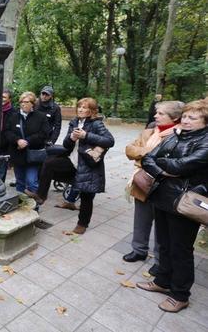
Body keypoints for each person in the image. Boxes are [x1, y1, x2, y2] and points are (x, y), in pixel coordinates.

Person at [137, 100, 208, 313]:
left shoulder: (205, 142)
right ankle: (162, 280)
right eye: (185, 116)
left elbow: (182, 166)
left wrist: (165, 164)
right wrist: (164, 169)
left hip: (185, 201)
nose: (185, 120)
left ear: (205, 122)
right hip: (163, 196)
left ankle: (180, 295)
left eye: (192, 118)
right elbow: (148, 158)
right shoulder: (176, 135)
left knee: (181, 249)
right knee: (164, 244)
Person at [27, 98, 115, 234]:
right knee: (49, 162)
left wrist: (86, 135)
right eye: (79, 107)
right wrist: (71, 138)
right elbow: (67, 144)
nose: (80, 109)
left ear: (91, 110)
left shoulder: (97, 124)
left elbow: (110, 141)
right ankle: (41, 195)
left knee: (86, 196)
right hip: (72, 160)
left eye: (84, 107)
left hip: (87, 164)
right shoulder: (74, 122)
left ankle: (82, 224)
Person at [123, 101, 184, 275]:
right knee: (141, 217)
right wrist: (149, 155)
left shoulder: (181, 134)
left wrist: (144, 155)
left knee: (162, 226)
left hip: (165, 186)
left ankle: (160, 261)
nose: (155, 116)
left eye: (161, 113)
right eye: (156, 113)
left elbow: (171, 162)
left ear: (175, 117)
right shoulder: (150, 130)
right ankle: (139, 250)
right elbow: (129, 149)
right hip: (142, 181)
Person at [4, 92, 50, 196]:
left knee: (31, 182)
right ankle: (21, 205)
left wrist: (28, 141)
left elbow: (44, 133)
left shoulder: (40, 117)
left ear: (33, 103)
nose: (23, 104)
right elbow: (7, 131)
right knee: (20, 182)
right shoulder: (14, 116)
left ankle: (36, 204)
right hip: (17, 154)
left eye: (26, 102)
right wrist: (17, 140)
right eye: (21, 102)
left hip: (33, 155)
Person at [0, 89, 16, 181]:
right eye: (1, 97)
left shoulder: (13, 112)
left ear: (9, 99)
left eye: (4, 97)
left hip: (5, 144)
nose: (2, 99)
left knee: (2, 169)